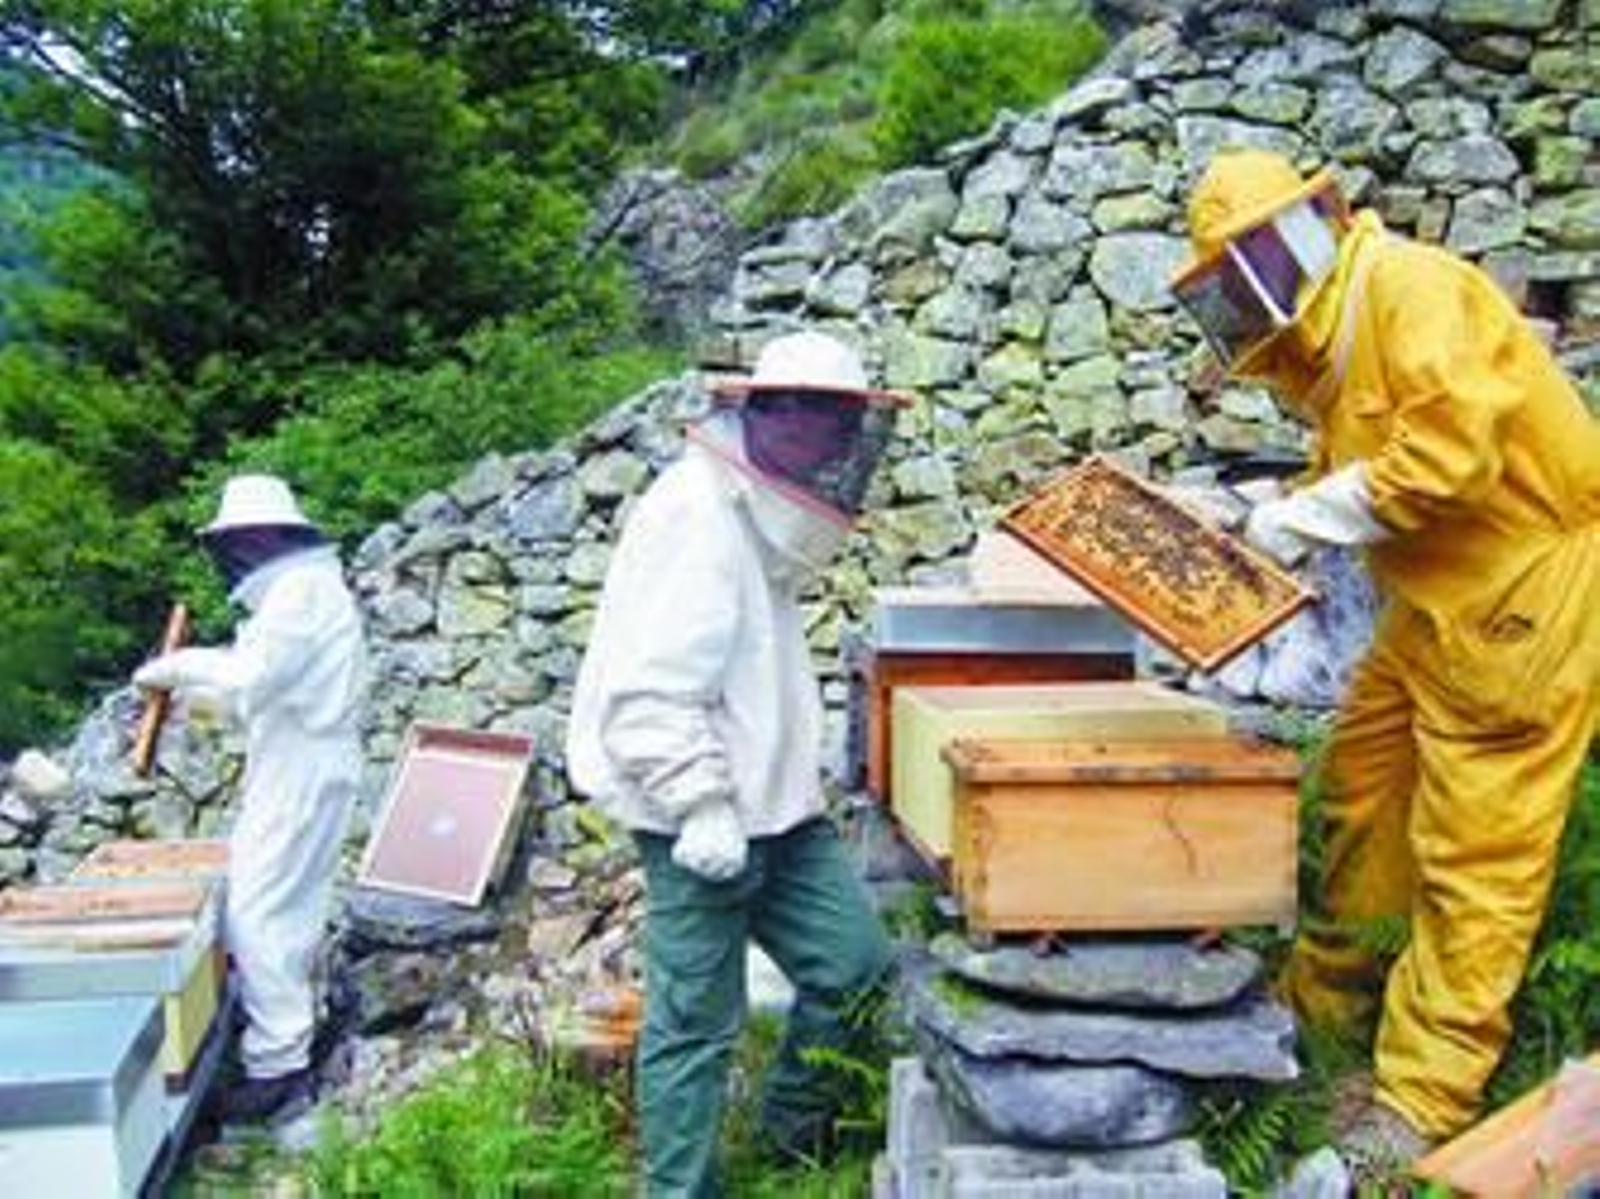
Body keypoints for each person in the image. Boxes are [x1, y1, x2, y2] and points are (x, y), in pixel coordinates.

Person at [1172, 148, 1600, 1165]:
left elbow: (1448, 459)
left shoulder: (1411, 288)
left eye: (1248, 271)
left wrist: (1293, 520)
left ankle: (1415, 1100)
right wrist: (1263, 518)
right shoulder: (1337, 337)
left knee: (1476, 857)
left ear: (1296, 232)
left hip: (1525, 600)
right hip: (1434, 604)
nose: (1246, 299)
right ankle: (1321, 1024)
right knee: (1362, 791)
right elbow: (1357, 476)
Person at [566, 330, 904, 1195]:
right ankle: (681, 1189)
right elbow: (647, 695)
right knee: (695, 1023)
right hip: (698, 818)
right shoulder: (695, 517)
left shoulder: (750, 509)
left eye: (850, 427)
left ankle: (789, 1147)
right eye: (830, 423)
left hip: (780, 812)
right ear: (775, 414)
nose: (839, 446)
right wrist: (701, 803)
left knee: (856, 967)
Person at [134, 473, 367, 1123]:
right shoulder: (302, 592)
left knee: (257, 911)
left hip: (303, 768)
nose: (236, 553)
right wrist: (190, 697)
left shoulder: (300, 593)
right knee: (286, 907)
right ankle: (290, 1035)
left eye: (242, 539)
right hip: (303, 761)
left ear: (267, 536)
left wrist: (176, 666)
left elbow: (253, 676)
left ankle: (278, 1066)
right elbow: (253, 695)